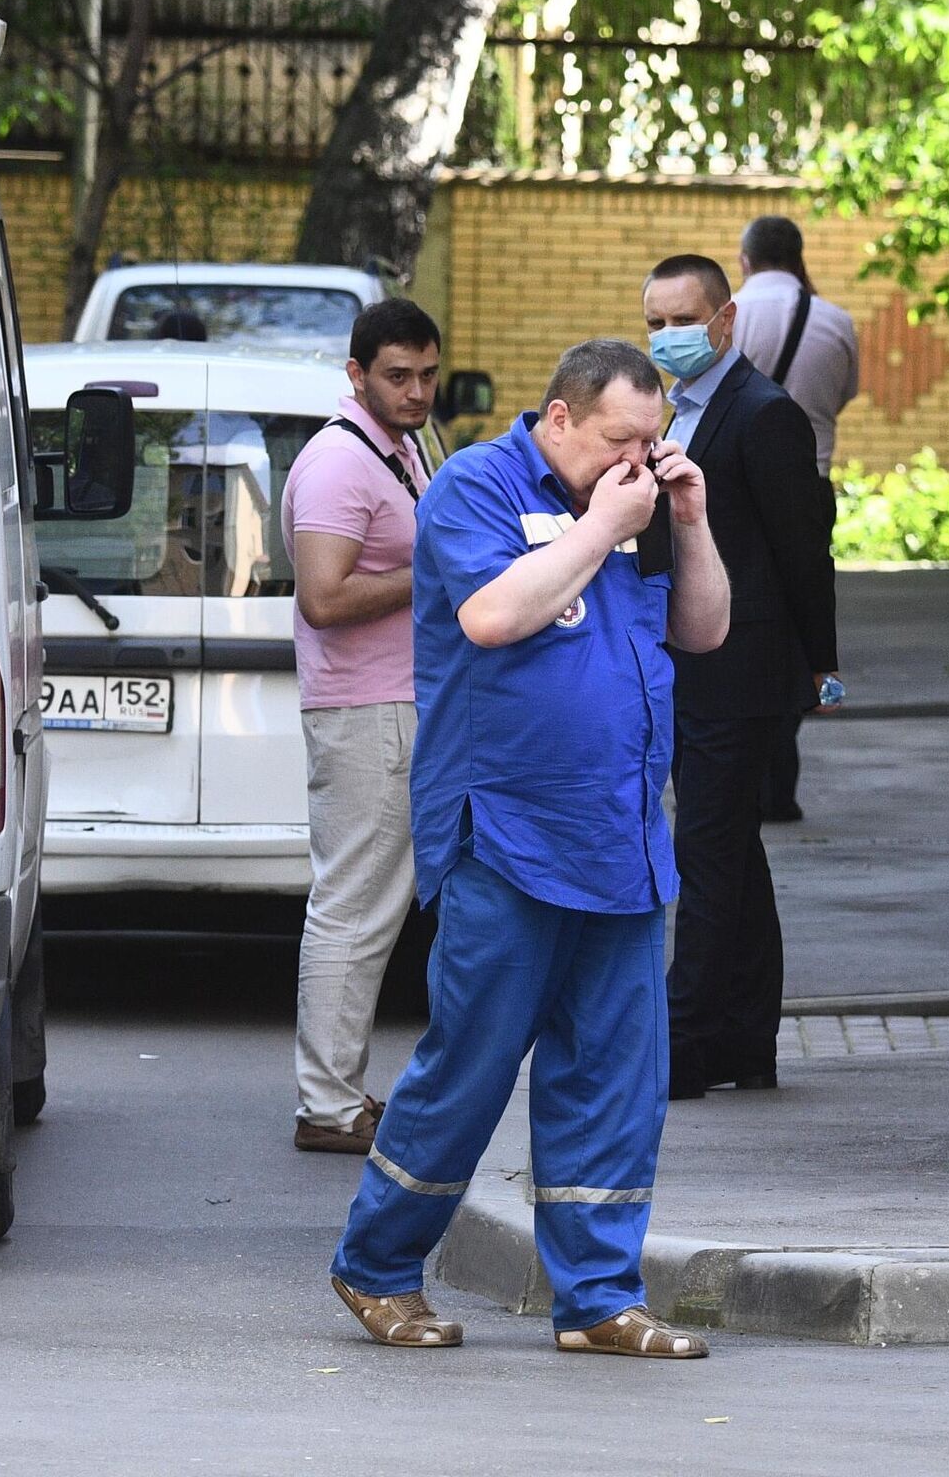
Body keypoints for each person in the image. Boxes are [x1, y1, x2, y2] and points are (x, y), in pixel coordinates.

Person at [328, 340, 728, 1358]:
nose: (640, 459)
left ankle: (598, 1299)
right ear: (558, 418)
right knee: (470, 1064)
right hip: (505, 834)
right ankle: (376, 1269)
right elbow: (492, 615)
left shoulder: (639, 506)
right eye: (620, 440)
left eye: (656, 440)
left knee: (613, 1076)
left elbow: (706, 630)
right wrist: (602, 526)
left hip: (622, 839)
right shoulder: (475, 488)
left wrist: (691, 521)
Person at [642, 253, 838, 1102]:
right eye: (652, 323)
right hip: (690, 663)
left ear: (724, 321)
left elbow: (805, 551)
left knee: (706, 855)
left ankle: (684, 1047)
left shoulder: (764, 414)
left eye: (681, 320)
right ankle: (744, 1041)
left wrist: (819, 666)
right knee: (733, 858)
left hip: (742, 669)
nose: (665, 337)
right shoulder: (673, 413)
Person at [283, 299, 442, 1154]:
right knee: (353, 908)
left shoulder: (398, 447)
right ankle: (329, 1106)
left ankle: (340, 1094)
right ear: (357, 375)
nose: (416, 390)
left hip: (394, 703)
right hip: (366, 710)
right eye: (397, 376)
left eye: (427, 374)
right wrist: (437, 571)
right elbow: (325, 596)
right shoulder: (341, 464)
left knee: (370, 908)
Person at [723, 218, 859, 821]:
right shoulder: (835, 321)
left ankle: (746, 771)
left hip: (732, 491)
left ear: (745, 260)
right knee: (798, 614)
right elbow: (847, 393)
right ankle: (783, 774)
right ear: (798, 258)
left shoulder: (726, 320)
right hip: (810, 485)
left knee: (736, 620)